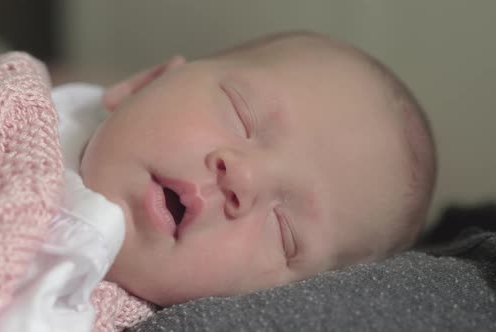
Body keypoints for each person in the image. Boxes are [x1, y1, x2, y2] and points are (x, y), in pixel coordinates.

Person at [79, 30, 437, 306]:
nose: (244, 178)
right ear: (146, 81)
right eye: (242, 116)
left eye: (284, 232)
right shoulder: (32, 101)